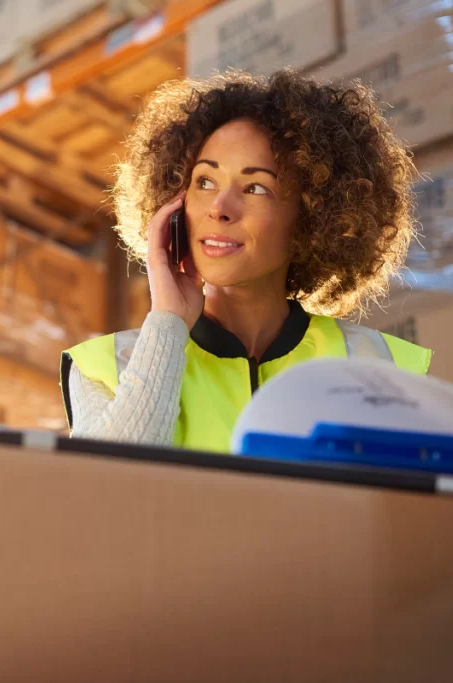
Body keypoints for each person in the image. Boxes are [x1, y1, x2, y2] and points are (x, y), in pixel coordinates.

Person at [60, 70, 432, 452]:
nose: (220, 209)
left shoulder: (379, 369)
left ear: (313, 219)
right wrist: (168, 324)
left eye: (256, 188)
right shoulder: (105, 367)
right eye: (205, 181)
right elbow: (110, 492)